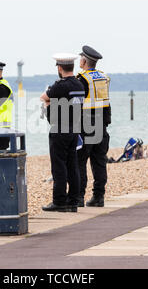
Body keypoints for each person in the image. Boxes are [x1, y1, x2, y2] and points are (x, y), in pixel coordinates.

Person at [40, 53, 85, 212]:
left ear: (59, 68)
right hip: (74, 128)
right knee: (73, 166)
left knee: (59, 166)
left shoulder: (60, 86)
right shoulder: (79, 85)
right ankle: (73, 201)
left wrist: (49, 104)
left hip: (59, 129)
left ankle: (59, 201)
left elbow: (43, 97)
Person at [76, 45, 111, 207]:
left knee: (80, 162)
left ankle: (79, 197)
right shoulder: (103, 77)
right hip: (101, 124)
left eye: (80, 59)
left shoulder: (82, 78)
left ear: (84, 61)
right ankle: (99, 196)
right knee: (99, 163)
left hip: (86, 125)